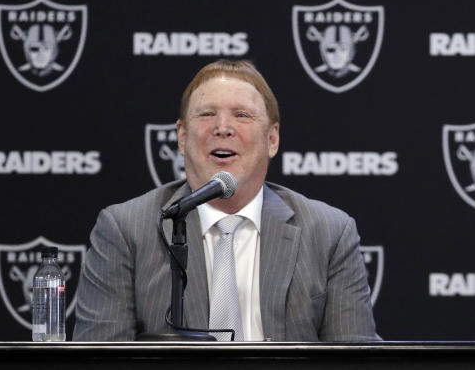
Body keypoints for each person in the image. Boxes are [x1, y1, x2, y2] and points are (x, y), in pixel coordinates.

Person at [74, 59, 379, 341]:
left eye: (242, 115)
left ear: (272, 140)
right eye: (207, 114)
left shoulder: (329, 233)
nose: (222, 128)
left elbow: (356, 361)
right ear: (181, 137)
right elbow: (99, 362)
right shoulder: (125, 230)